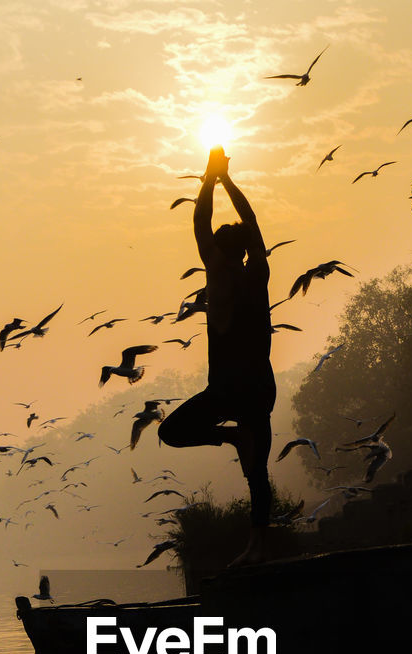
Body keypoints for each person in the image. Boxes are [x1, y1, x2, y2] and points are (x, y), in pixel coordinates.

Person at [158, 146, 276, 564]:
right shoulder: (258, 274)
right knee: (257, 471)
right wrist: (228, 181)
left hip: (228, 388)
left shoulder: (220, 277)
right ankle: (257, 545)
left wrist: (209, 177)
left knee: (170, 433)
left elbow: (199, 221)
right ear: (246, 250)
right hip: (261, 387)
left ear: (218, 255)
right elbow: (253, 222)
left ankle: (228, 436)